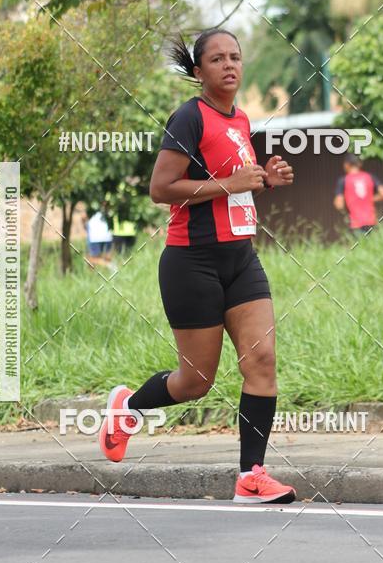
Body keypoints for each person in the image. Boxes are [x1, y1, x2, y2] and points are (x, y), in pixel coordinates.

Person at [98, 28, 297, 504]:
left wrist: (264, 181)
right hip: (192, 263)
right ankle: (128, 406)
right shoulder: (188, 118)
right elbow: (162, 188)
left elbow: (231, 186)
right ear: (198, 71)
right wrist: (231, 183)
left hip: (241, 259)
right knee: (196, 382)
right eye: (217, 59)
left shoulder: (240, 119)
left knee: (262, 361)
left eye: (236, 57)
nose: (229, 65)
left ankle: (252, 476)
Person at [333, 154, 383, 236]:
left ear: (347, 164)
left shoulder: (343, 180)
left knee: (358, 247)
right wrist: (370, 199)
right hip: (372, 221)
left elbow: (339, 205)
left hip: (355, 223)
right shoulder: (370, 177)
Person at [85, 202, 114, 266]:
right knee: (106, 258)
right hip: (107, 236)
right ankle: (109, 266)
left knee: (92, 259)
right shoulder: (109, 206)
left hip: (94, 237)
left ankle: (109, 265)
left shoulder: (91, 205)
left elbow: (83, 217)